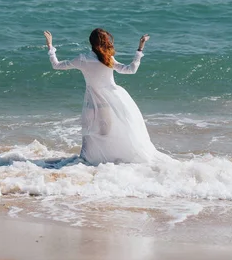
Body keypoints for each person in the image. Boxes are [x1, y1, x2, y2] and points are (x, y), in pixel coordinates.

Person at [44, 28, 172, 165]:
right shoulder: (108, 59)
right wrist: (140, 49)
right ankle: (107, 164)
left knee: (89, 135)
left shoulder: (82, 59)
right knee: (107, 134)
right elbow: (131, 70)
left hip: (91, 104)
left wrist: (50, 46)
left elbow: (56, 65)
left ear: (90, 42)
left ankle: (85, 164)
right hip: (109, 103)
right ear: (105, 42)